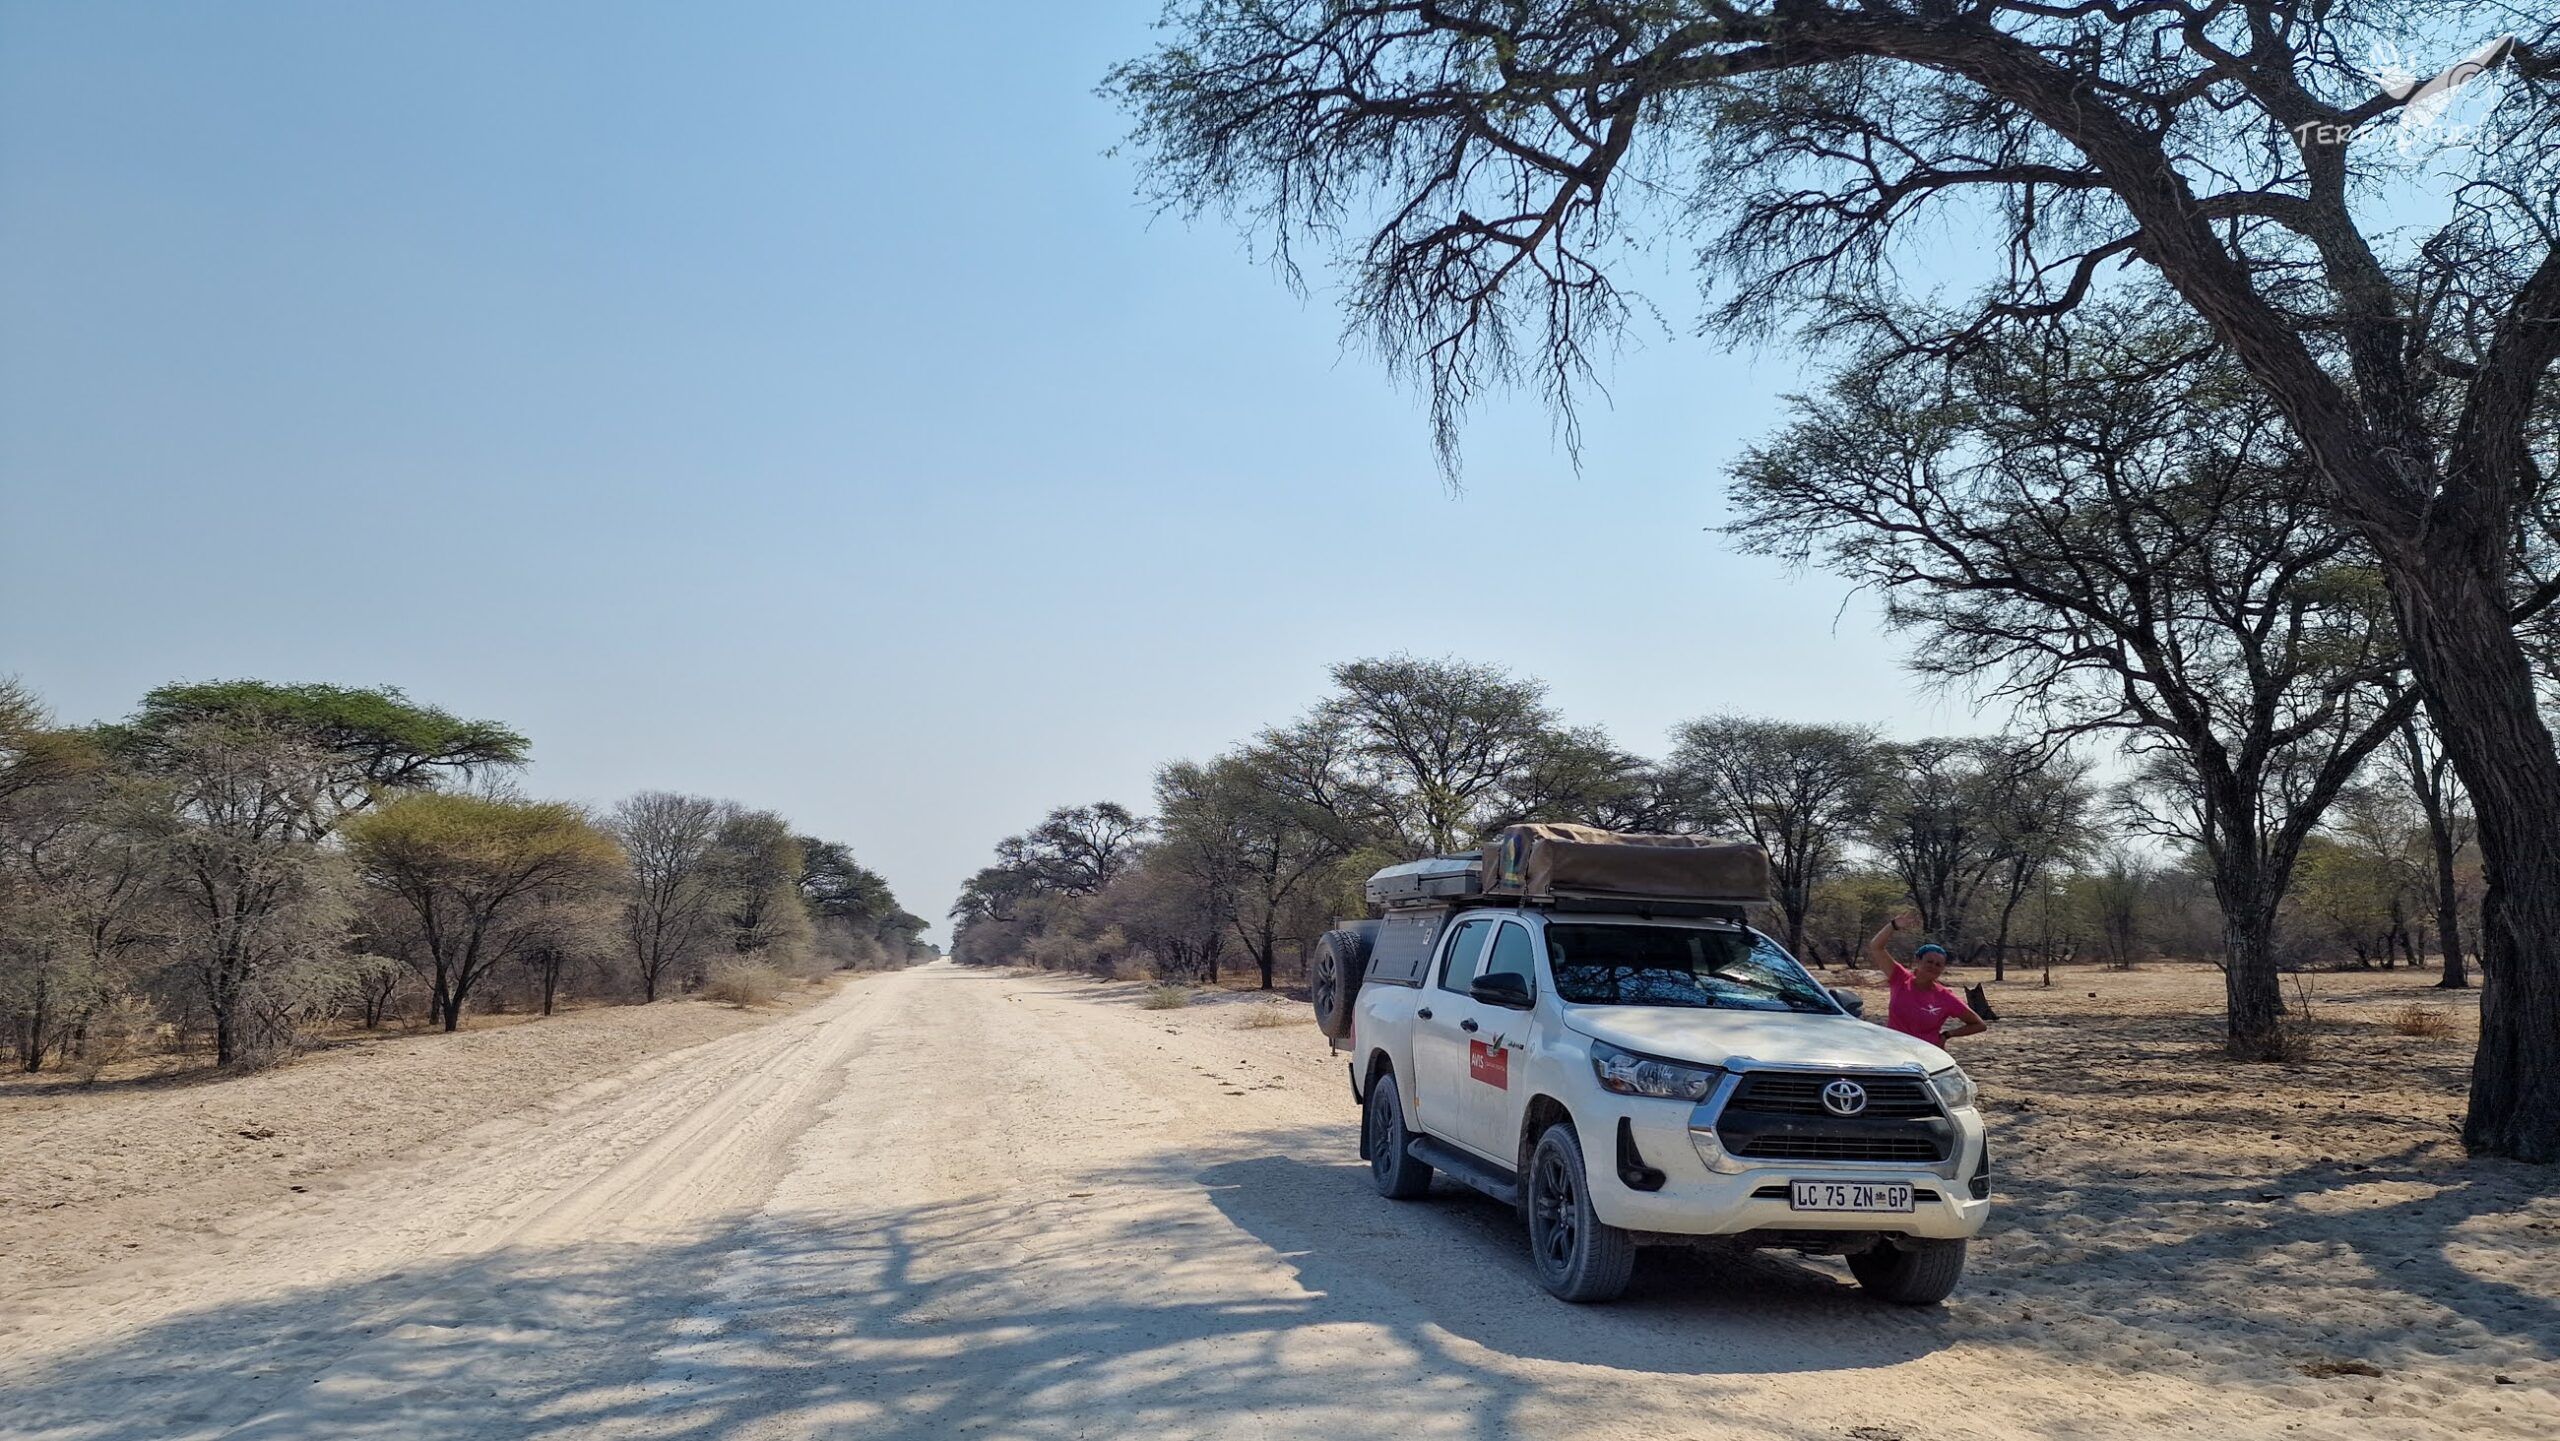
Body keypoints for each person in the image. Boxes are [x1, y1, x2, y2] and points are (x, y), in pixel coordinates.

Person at [1863, 911, 1987, 1047]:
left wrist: (1947, 1035)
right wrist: (1893, 925)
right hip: (1895, 1050)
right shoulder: (1899, 978)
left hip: (1927, 1053)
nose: (1933, 966)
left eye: (1938, 964)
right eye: (1929, 961)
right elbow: (1876, 947)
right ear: (1918, 961)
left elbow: (1978, 1025)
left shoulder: (1945, 996)